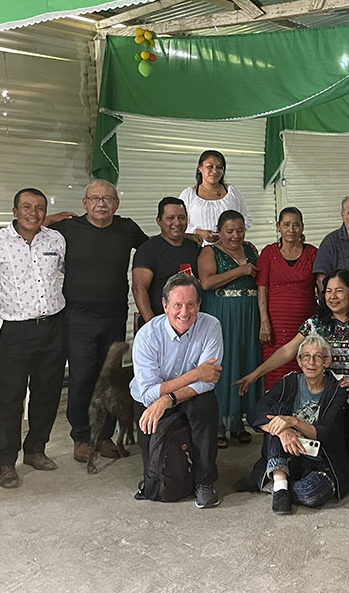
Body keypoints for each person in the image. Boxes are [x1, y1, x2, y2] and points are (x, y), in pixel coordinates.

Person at [236, 269, 349, 469]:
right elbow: (288, 350)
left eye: (339, 291)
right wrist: (255, 374)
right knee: (321, 453)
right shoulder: (315, 323)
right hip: (324, 400)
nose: (332, 296)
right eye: (328, 291)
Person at [50, 179, 147, 464]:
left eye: (107, 198)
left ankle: (104, 436)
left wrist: (192, 238)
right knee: (81, 378)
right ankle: (81, 437)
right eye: (94, 198)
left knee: (110, 378)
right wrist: (52, 217)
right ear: (84, 203)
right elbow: (27, 224)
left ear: (116, 204)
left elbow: (157, 247)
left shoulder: (127, 228)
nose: (101, 203)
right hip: (78, 318)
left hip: (114, 315)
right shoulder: (68, 229)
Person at [0, 188, 67, 489]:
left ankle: (35, 450)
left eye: (39, 207)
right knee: (9, 397)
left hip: (54, 326)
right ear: (14, 211)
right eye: (26, 207)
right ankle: (6, 462)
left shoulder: (55, 240)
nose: (33, 213)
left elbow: (66, 271)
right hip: (16, 331)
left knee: (47, 393)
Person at [131, 272, 223, 509]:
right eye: (177, 305)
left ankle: (204, 481)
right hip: (148, 400)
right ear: (164, 306)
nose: (185, 312)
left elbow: (208, 382)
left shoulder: (211, 325)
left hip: (187, 396)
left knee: (206, 405)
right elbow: (149, 393)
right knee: (155, 468)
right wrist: (194, 374)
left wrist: (169, 398)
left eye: (191, 304)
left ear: (199, 305)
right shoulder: (147, 336)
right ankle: (157, 478)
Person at [243, 335, 349, 515]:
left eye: (318, 357)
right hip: (287, 452)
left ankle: (273, 483)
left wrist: (293, 421)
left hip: (321, 460)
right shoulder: (290, 382)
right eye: (306, 356)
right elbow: (255, 412)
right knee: (276, 423)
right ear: (299, 361)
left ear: (327, 361)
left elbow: (325, 432)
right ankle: (280, 485)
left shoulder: (337, 390)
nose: (311, 362)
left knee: (310, 494)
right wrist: (284, 429)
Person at [197, 209, 261, 447]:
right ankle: (218, 425)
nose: (236, 235)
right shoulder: (209, 251)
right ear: (220, 231)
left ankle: (237, 421)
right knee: (223, 364)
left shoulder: (251, 250)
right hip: (222, 314)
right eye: (230, 231)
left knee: (245, 361)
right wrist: (240, 270)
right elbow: (207, 282)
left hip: (249, 314)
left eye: (240, 230)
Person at [256, 207, 318, 390]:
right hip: (275, 327)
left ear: (302, 228)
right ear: (278, 227)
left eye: (296, 225)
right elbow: (262, 290)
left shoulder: (313, 253)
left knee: (305, 369)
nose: (291, 229)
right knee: (275, 375)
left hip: (305, 326)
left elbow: (322, 288)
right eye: (286, 224)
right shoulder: (268, 253)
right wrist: (264, 322)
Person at [132, 196, 201, 328]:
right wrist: (152, 325)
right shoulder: (148, 250)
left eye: (181, 217)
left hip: (189, 324)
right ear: (159, 221)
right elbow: (139, 288)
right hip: (158, 323)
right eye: (170, 218)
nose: (177, 222)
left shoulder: (194, 247)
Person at [179, 150, 252, 245]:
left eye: (219, 167)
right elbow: (178, 224)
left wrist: (230, 233)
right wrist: (198, 232)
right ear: (200, 168)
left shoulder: (231, 192)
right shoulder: (189, 194)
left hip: (229, 250)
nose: (215, 171)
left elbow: (246, 219)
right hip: (197, 249)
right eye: (210, 167)